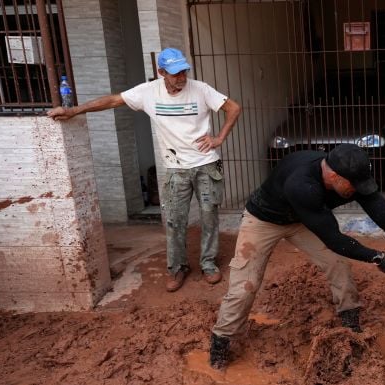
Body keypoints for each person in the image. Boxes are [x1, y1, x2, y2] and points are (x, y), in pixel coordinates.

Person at [208, 144, 385, 370]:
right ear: (335, 177)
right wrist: (377, 257)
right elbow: (335, 240)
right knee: (245, 286)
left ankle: (350, 321)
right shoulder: (302, 184)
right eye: (354, 186)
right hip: (264, 220)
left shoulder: (352, 178)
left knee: (337, 264)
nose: (359, 190)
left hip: (304, 220)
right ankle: (221, 340)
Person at [48, 48, 241, 291]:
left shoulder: (201, 89)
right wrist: (74, 110)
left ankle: (209, 264)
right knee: (174, 221)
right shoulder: (148, 93)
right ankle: (178, 268)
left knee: (209, 216)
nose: (181, 77)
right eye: (174, 73)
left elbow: (233, 108)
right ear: (161, 72)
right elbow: (113, 100)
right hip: (175, 169)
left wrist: (219, 138)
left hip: (206, 164)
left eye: (183, 71)